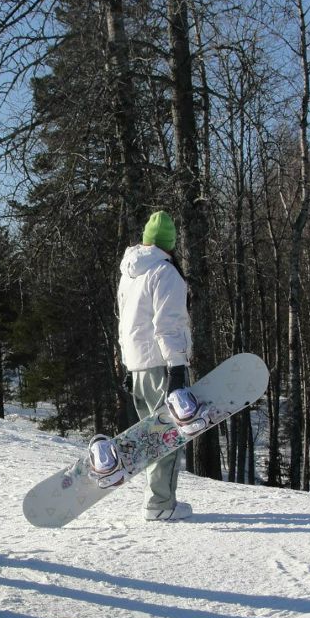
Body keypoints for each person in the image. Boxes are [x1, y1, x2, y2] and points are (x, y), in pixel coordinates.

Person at [116, 210, 194, 521]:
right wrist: (177, 368)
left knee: (152, 436)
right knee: (168, 435)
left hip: (137, 366)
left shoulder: (131, 272)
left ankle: (157, 500)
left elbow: (126, 323)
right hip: (160, 364)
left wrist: (127, 366)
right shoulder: (166, 273)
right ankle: (161, 504)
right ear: (171, 244)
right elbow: (168, 326)